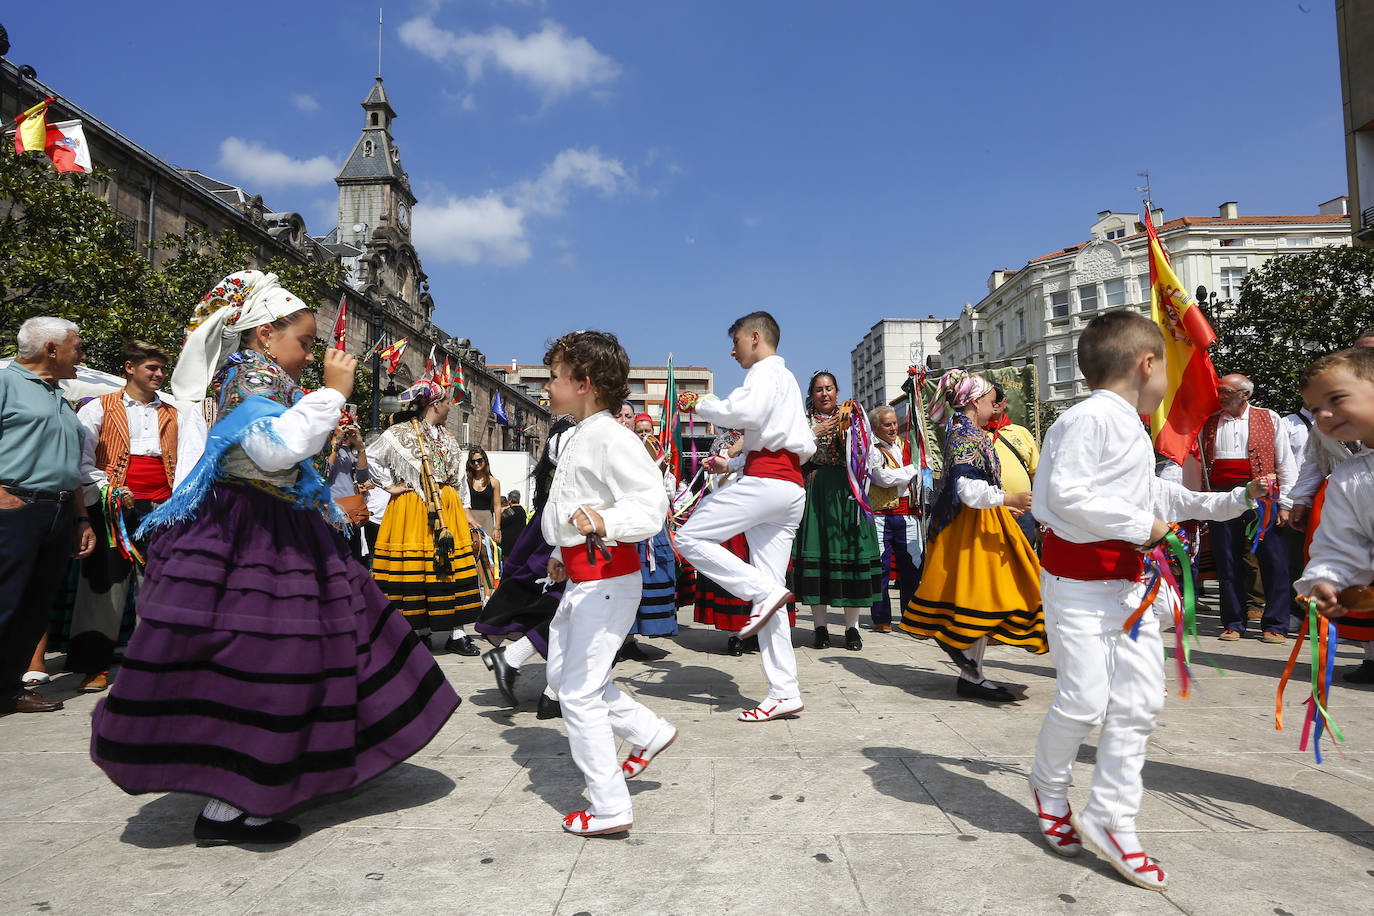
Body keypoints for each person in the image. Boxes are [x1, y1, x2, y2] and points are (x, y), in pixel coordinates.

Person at [90, 270, 459, 846]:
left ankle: (253, 794)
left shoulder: (266, 380)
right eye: (304, 342)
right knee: (268, 660)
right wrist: (334, 389)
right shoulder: (248, 379)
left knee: (288, 658)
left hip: (278, 527)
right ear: (265, 334)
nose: (311, 355)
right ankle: (236, 802)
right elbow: (273, 449)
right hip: (252, 535)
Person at [1028, 311, 1270, 891]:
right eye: (1169, 364)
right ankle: (1049, 785)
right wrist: (1146, 525)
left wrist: (1231, 501)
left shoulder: (1129, 424)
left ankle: (1113, 817)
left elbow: (1155, 492)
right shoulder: (1088, 418)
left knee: (1138, 703)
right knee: (1085, 702)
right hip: (1081, 588)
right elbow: (1065, 497)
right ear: (1148, 364)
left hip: (1130, 587)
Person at [539, 330, 674, 836]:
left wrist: (604, 524)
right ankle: (649, 732)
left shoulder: (615, 438)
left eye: (554, 377)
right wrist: (559, 550)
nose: (547, 387)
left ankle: (610, 806)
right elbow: (570, 503)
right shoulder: (577, 435)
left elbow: (649, 503)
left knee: (576, 693)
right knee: (564, 679)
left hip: (608, 580)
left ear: (585, 383)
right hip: (581, 578)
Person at [675, 311, 815, 722]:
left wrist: (699, 402)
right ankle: (784, 691)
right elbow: (793, 444)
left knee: (688, 537)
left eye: (736, 341)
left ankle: (763, 594)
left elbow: (747, 414)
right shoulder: (786, 379)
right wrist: (734, 466)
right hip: (788, 488)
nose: (732, 350)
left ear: (755, 337)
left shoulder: (765, 372)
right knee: (769, 594)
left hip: (767, 485)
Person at [898, 369, 1044, 702]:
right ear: (975, 402)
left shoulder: (968, 431)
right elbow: (965, 489)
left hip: (980, 524)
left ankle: (971, 673)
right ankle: (961, 656)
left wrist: (1002, 508)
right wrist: (1009, 499)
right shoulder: (965, 435)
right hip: (969, 531)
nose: (996, 407)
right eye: (992, 402)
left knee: (983, 599)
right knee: (986, 596)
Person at [69, 340, 180, 693]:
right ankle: (94, 666)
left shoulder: (173, 412)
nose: (159, 375)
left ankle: (156, 664)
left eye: (162, 369)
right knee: (104, 586)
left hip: (163, 509)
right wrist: (110, 489)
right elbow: (81, 462)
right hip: (112, 507)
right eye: (152, 368)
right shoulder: (97, 409)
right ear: (130, 367)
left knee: (160, 584)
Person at [0, 317, 97, 714]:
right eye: (77, 347)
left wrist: (80, 519)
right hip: (15, 511)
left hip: (57, 512)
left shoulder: (58, 395)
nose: (83, 355)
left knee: (34, 606)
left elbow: (69, 464)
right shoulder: (5, 383)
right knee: (4, 600)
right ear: (51, 349)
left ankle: (8, 687)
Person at [368, 381, 484, 655]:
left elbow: (458, 480)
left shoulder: (448, 437)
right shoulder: (400, 433)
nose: (448, 408)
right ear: (435, 404)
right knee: (418, 568)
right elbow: (372, 457)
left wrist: (465, 508)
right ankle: (420, 631)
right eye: (446, 403)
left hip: (448, 507)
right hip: (414, 507)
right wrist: (389, 485)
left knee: (450, 567)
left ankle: (456, 633)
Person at [1289, 328, 1374, 681]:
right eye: (1314, 409)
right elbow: (1342, 543)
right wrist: (1329, 579)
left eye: (1336, 399)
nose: (1323, 415)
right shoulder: (1348, 478)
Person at [479, 416, 576, 718]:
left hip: (560, 532)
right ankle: (547, 688)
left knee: (572, 614)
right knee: (570, 611)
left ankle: (552, 694)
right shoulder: (574, 434)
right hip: (562, 534)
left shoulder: (578, 432)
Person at [1201, 374, 1297, 644]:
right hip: (1222, 496)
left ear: (1245, 395)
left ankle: (1276, 624)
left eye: (1227, 391)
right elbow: (1199, 466)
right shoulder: (1209, 422)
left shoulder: (1269, 417)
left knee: (1273, 559)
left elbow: (1285, 463)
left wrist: (1286, 504)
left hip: (1264, 496)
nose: (1220, 395)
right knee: (1227, 559)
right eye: (1219, 390)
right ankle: (1233, 622)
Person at [792, 371, 882, 651]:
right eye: (818, 389)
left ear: (837, 390)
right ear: (812, 394)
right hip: (816, 491)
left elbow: (871, 456)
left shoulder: (854, 417)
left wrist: (854, 438)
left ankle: (852, 629)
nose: (824, 394)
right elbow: (794, 454)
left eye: (829, 388)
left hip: (847, 494)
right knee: (819, 555)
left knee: (849, 554)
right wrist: (812, 434)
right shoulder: (801, 421)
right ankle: (820, 628)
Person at [620, 412, 677, 661]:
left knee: (651, 578)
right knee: (627, 582)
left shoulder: (662, 456)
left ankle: (632, 639)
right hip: (631, 526)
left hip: (653, 528)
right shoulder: (626, 453)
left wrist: (662, 470)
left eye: (648, 430)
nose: (644, 435)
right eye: (640, 431)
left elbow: (669, 493)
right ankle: (621, 638)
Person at [866, 406, 922, 634]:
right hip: (880, 516)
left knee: (912, 567)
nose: (892, 428)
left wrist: (914, 470)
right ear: (876, 427)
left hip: (907, 514)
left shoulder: (907, 446)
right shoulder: (871, 448)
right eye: (887, 425)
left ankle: (911, 616)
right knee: (880, 569)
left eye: (894, 423)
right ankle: (881, 617)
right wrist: (912, 469)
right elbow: (882, 478)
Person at [986, 382, 1041, 546]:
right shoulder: (974, 435)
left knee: (1026, 561)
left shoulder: (1021, 432)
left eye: (999, 398)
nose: (995, 403)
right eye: (990, 399)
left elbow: (1035, 474)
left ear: (1005, 402)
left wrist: (1040, 512)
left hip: (1024, 513)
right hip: (990, 512)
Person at [323, 409, 372, 559]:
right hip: (329, 515)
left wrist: (360, 448)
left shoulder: (346, 450)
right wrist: (335, 443)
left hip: (351, 514)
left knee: (352, 563)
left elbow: (362, 477)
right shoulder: (321, 446)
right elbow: (324, 474)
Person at [465, 446, 502, 598]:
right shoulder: (466, 480)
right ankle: (471, 597)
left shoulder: (494, 482)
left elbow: (497, 506)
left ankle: (488, 596)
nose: (477, 464)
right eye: (473, 461)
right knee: (469, 559)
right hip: (469, 520)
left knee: (487, 561)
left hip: (486, 521)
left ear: (485, 461)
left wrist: (497, 528)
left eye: (479, 460)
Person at [499, 488, 528, 566]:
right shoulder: (522, 511)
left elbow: (501, 522)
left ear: (510, 500)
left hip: (508, 545)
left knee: (507, 565)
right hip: (519, 543)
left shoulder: (510, 511)